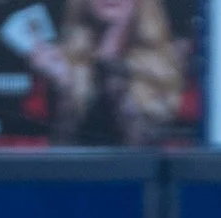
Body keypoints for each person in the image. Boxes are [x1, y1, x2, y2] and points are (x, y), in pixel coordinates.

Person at [30, 0, 188, 147]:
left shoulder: (164, 62)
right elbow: (61, 151)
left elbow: (140, 144)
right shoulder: (67, 60)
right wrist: (63, 88)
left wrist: (109, 63)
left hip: (138, 174)